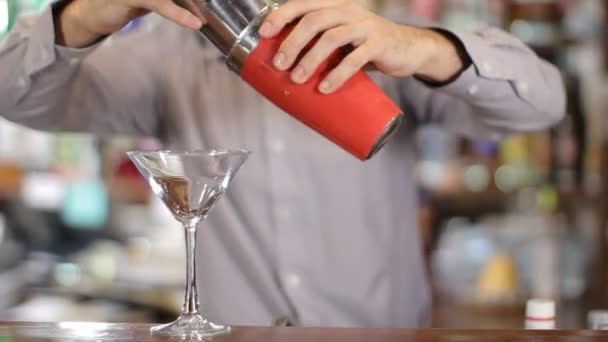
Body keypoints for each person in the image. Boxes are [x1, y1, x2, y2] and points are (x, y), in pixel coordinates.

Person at [0, 0, 565, 328]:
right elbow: (12, 93)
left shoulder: (378, 40)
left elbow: (542, 103)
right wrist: (79, 15)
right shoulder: (163, 58)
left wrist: (424, 48)